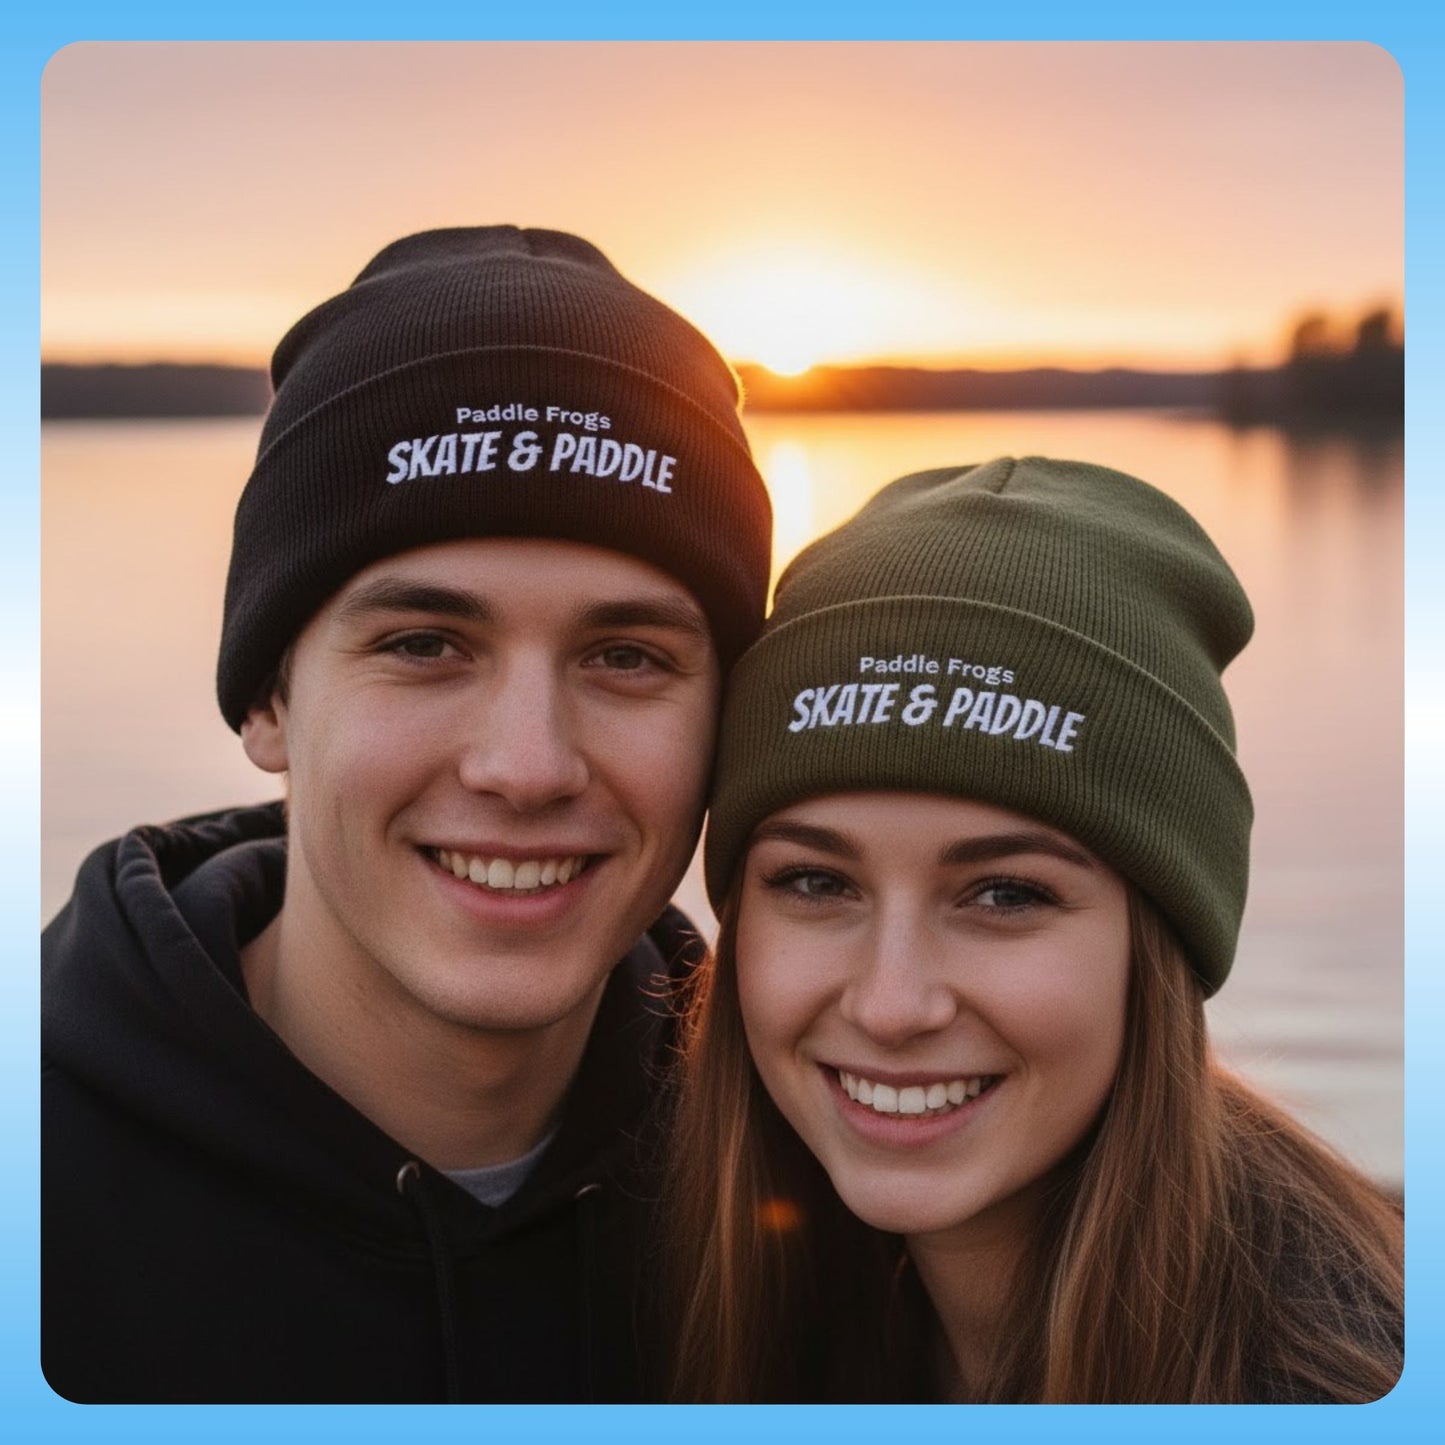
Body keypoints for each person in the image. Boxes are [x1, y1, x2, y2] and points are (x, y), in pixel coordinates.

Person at [41, 226, 772, 1403]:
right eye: (424, 644)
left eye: (627, 655)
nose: (526, 766)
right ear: (270, 698)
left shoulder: (813, 1188)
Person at [666, 456, 1403, 1403]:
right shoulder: (764, 1306)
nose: (892, 1004)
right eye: (814, 880)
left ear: (1159, 945)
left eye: (1005, 895)